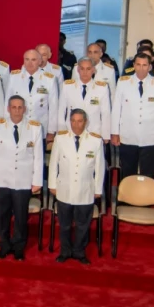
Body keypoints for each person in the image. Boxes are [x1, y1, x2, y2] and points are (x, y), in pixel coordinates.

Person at [0, 97, 44, 260]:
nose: (17, 110)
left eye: (20, 107)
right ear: (8, 109)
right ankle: (4, 244)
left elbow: (38, 157)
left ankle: (19, 246)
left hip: (23, 180)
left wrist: (37, 180)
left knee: (20, 216)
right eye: (14, 107)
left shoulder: (34, 128)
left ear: (25, 109)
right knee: (2, 215)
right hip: (2, 179)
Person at [49, 109, 103, 265]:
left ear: (85, 122)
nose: (76, 124)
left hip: (85, 190)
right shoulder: (60, 139)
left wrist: (98, 189)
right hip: (64, 189)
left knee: (82, 225)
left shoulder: (95, 141)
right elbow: (53, 163)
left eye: (79, 121)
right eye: (73, 120)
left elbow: (99, 167)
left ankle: (79, 252)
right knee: (65, 225)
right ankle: (65, 251)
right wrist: (52, 184)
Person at [110, 54, 154, 180]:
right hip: (128, 136)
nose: (141, 68)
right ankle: (126, 199)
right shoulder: (123, 83)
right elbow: (116, 109)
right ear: (134, 66)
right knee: (127, 175)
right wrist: (114, 133)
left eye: (144, 65)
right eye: (138, 65)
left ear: (149, 67)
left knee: (147, 175)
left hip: (150, 137)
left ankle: (147, 199)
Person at [6, 50, 59, 142]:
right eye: (27, 59)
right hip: (18, 125)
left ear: (40, 61)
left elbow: (54, 107)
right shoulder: (14, 77)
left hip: (40, 126)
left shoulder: (49, 79)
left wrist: (51, 130)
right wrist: (6, 124)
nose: (30, 63)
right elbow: (7, 102)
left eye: (33, 60)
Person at [58, 57, 112, 138]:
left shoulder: (102, 88)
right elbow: (61, 110)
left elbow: (105, 113)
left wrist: (105, 135)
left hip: (93, 132)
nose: (85, 72)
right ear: (78, 70)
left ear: (93, 70)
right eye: (82, 69)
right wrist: (61, 130)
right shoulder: (67, 86)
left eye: (88, 69)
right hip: (71, 132)